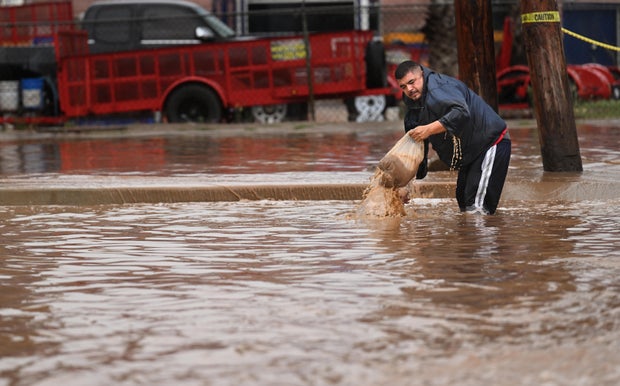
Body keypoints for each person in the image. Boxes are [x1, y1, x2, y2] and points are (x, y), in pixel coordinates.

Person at [394, 60, 511, 215]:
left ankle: (483, 238)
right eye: (403, 86)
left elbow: (461, 113)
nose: (409, 89)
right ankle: (468, 239)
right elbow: (414, 145)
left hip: (491, 143)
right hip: (471, 151)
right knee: (463, 200)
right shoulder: (413, 102)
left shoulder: (437, 87)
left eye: (411, 82)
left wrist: (429, 129)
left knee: (476, 208)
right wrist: (405, 184)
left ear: (421, 74)